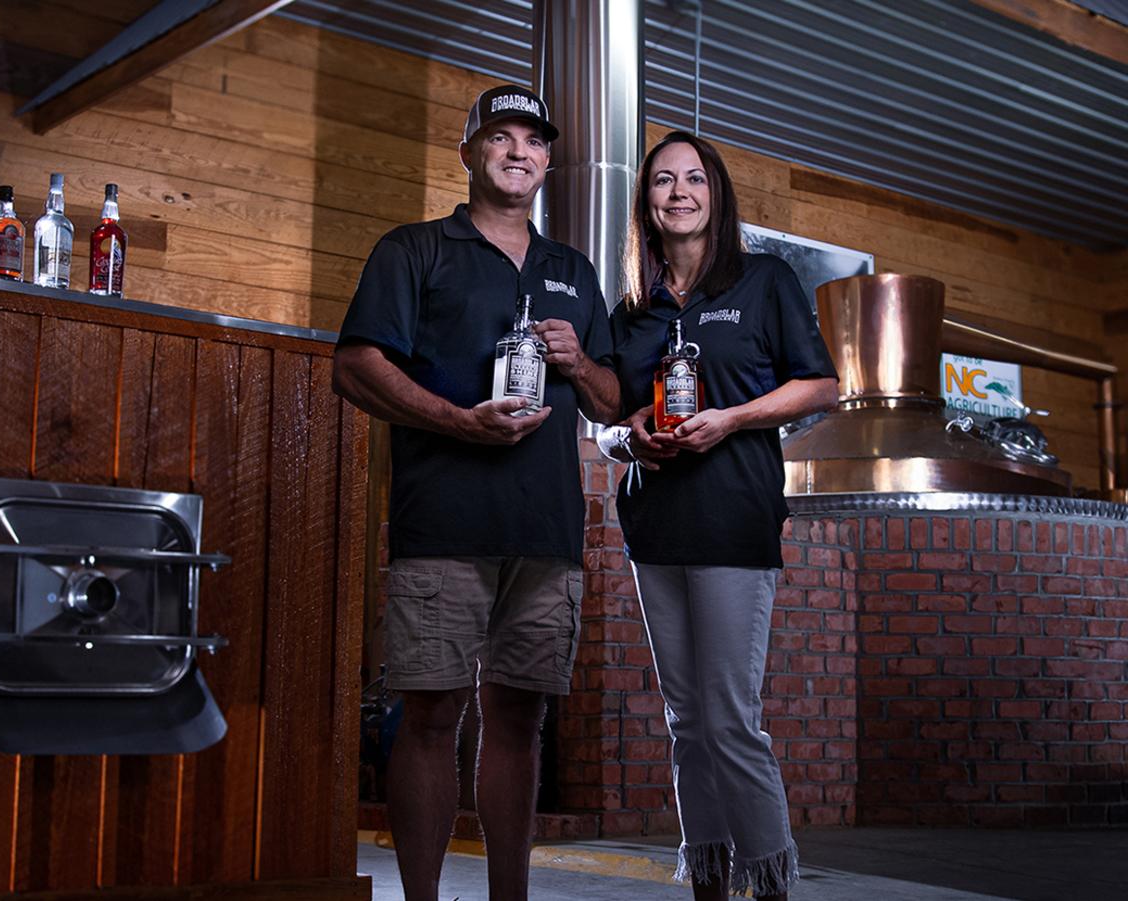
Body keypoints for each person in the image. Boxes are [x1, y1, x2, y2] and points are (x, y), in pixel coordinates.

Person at [332, 84, 620, 901]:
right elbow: (354, 365)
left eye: (533, 140)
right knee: (429, 718)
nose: (519, 151)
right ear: (470, 152)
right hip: (444, 525)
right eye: (501, 137)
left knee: (521, 725)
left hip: (546, 533)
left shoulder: (573, 271)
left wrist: (577, 362)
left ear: (548, 161)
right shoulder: (415, 250)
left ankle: (509, 898)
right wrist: (461, 422)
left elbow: (608, 402)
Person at [597, 131, 839, 901]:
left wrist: (731, 419)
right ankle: (705, 881)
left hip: (734, 526)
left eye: (693, 179)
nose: (678, 192)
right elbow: (602, 417)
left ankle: (768, 883)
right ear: (647, 202)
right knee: (686, 724)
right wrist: (621, 438)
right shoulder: (632, 309)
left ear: (717, 193)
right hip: (655, 532)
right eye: (663, 181)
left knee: (731, 720)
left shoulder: (763, 282)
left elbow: (820, 386)